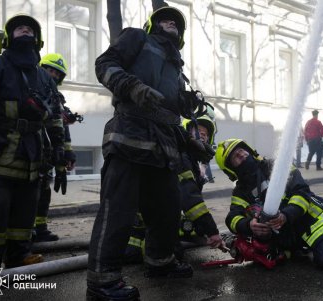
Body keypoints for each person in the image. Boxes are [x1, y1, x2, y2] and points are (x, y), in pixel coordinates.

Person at [87, 6, 214, 301]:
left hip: (164, 147)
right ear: (152, 25)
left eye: (176, 23)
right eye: (164, 19)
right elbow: (104, 63)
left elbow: (167, 117)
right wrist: (132, 86)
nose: (170, 23)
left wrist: (189, 143)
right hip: (129, 137)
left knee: (167, 211)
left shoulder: (175, 69)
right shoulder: (137, 39)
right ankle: (101, 282)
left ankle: (159, 261)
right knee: (118, 211)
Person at [0, 14, 65, 274]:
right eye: (19, 29)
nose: (25, 31)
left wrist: (58, 146)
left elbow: (55, 114)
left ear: (37, 41)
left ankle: (18, 255)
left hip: (32, 152)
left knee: (26, 206)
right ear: (8, 38)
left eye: (29, 29)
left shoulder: (43, 77)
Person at [215, 139, 323, 270]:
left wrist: (285, 215)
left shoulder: (276, 166)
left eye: (241, 150)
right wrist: (249, 225)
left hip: (312, 220)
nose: (241, 155)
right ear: (230, 169)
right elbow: (232, 218)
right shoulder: (241, 192)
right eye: (235, 157)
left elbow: (302, 192)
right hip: (287, 233)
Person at [124, 115, 223, 263]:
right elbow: (190, 200)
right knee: (171, 254)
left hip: (145, 223)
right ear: (187, 135)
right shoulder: (182, 156)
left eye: (204, 135)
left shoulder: (191, 160)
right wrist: (212, 231)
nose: (201, 137)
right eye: (197, 132)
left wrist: (200, 228)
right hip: (142, 226)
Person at [34, 53, 77, 242]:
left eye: (57, 74)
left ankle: (40, 228)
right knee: (29, 193)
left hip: (48, 152)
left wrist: (67, 153)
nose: (53, 75)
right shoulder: (29, 89)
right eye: (49, 70)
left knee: (44, 191)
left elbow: (62, 128)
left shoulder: (57, 97)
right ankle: (23, 235)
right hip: (30, 150)